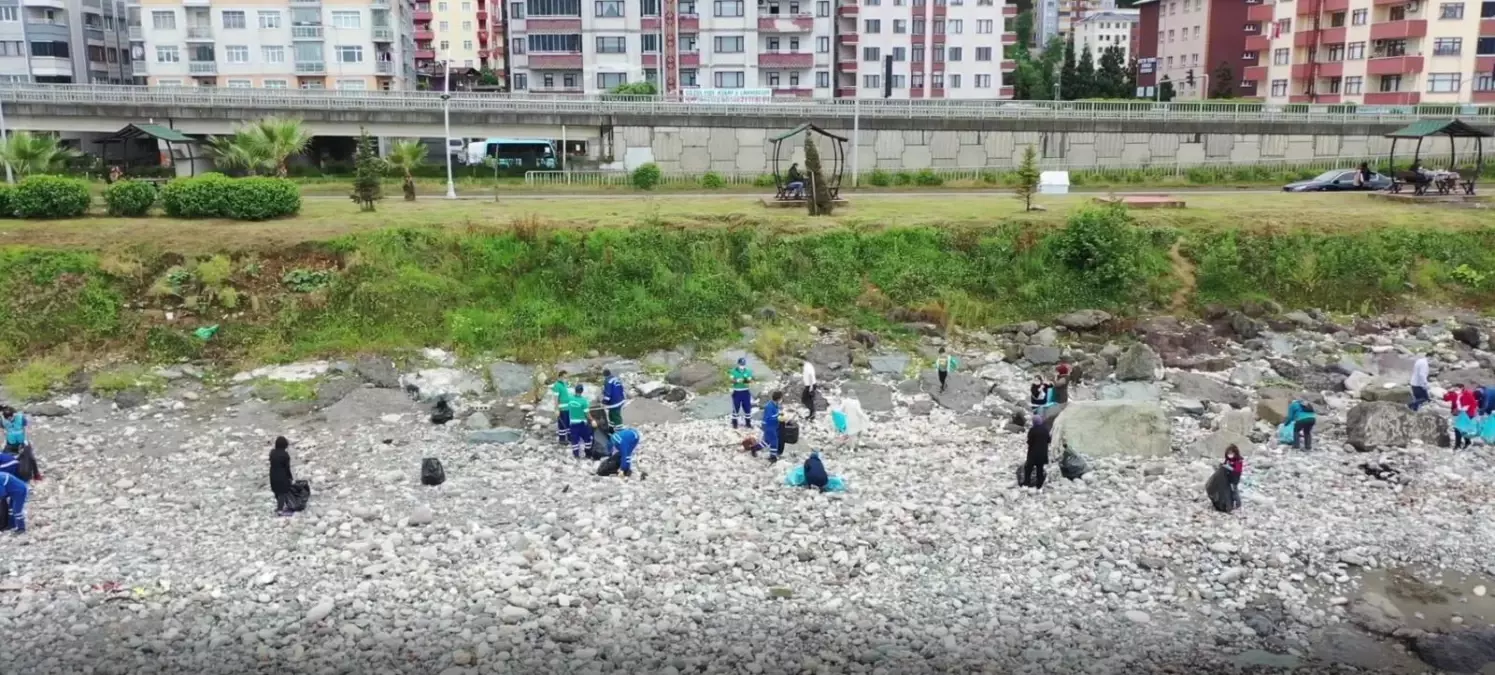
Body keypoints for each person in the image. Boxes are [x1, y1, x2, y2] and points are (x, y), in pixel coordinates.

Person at [1444, 382, 1478, 450]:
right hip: (1458, 414)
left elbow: (1474, 404)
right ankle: (1461, 444)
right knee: (1458, 428)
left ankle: (1461, 444)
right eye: (1455, 388)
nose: (1456, 390)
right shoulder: (1454, 394)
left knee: (1461, 428)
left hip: (1467, 414)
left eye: (1457, 388)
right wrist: (1448, 392)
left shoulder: (1467, 394)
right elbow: (1446, 398)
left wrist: (1465, 409)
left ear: (1462, 388)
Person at [1021, 414, 1050, 489]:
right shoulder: (1045, 430)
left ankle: (1026, 482)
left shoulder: (1032, 430)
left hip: (1033, 453)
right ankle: (1039, 484)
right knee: (1039, 469)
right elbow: (1049, 440)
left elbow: (1029, 441)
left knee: (1028, 468)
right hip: (1042, 453)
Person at [269, 436, 295, 516]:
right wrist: (290, 477)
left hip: (273, 475)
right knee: (282, 493)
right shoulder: (285, 455)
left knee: (276, 491)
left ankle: (279, 507)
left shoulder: (272, 453)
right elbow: (287, 468)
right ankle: (280, 509)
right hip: (282, 475)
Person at [567, 384, 594, 459]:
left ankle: (576, 455)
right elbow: (587, 414)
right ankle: (588, 454)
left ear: (575, 390)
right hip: (582, 424)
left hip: (572, 423)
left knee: (574, 440)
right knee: (587, 439)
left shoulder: (570, 398)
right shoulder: (584, 401)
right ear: (582, 391)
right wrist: (592, 420)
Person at [729, 358, 754, 429]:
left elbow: (750, 381)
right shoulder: (733, 371)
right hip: (736, 392)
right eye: (741, 364)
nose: (742, 366)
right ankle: (734, 423)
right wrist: (737, 380)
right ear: (738, 364)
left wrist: (745, 380)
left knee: (747, 408)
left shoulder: (748, 371)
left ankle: (748, 423)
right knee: (735, 407)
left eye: (743, 364)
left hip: (745, 392)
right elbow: (731, 380)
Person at [0, 469, 25, 533]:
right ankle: (11, 525)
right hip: (12, 491)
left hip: (19, 491)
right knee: (11, 509)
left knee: (17, 510)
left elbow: (3, 494)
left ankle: (21, 528)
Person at [762, 391, 784, 463]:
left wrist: (780, 414)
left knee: (767, 441)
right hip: (768, 425)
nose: (781, 400)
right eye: (781, 398)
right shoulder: (769, 406)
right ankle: (773, 457)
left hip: (773, 425)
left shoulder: (775, 404)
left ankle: (754, 448)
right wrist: (778, 418)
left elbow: (776, 413)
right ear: (778, 399)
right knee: (775, 440)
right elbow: (769, 418)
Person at [1223, 444, 1244, 510]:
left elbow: (1237, 470)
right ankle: (1230, 502)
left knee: (1234, 490)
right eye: (1228, 453)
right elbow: (1224, 464)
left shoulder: (1238, 460)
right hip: (1229, 477)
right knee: (1230, 490)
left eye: (1231, 453)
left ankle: (1238, 504)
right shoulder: (1228, 460)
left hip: (1235, 478)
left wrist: (1229, 468)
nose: (1230, 455)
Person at [551, 378, 571, 447]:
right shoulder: (557, 386)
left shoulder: (564, 385)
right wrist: (557, 409)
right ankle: (562, 440)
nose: (565, 379)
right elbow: (556, 399)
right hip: (562, 409)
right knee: (562, 425)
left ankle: (569, 437)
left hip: (567, 408)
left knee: (567, 423)